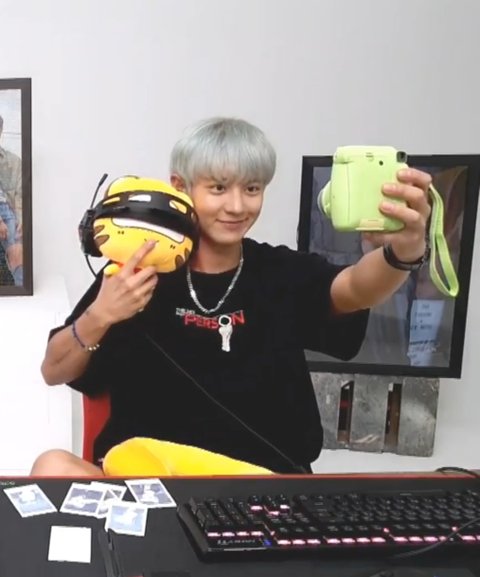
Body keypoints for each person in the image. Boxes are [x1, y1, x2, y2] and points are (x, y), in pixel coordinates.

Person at [30, 117, 431, 476]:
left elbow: (356, 288)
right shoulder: (134, 273)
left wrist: (403, 252)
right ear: (180, 188)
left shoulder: (282, 273)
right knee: (51, 465)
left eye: (252, 189)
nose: (237, 206)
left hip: (260, 490)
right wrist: (101, 314)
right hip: (148, 485)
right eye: (218, 188)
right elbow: (53, 370)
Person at [0, 114, 23, 286]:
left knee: (18, 252)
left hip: (7, 211)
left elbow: (21, 194)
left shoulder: (14, 162)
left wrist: (22, 219)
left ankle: (20, 292)